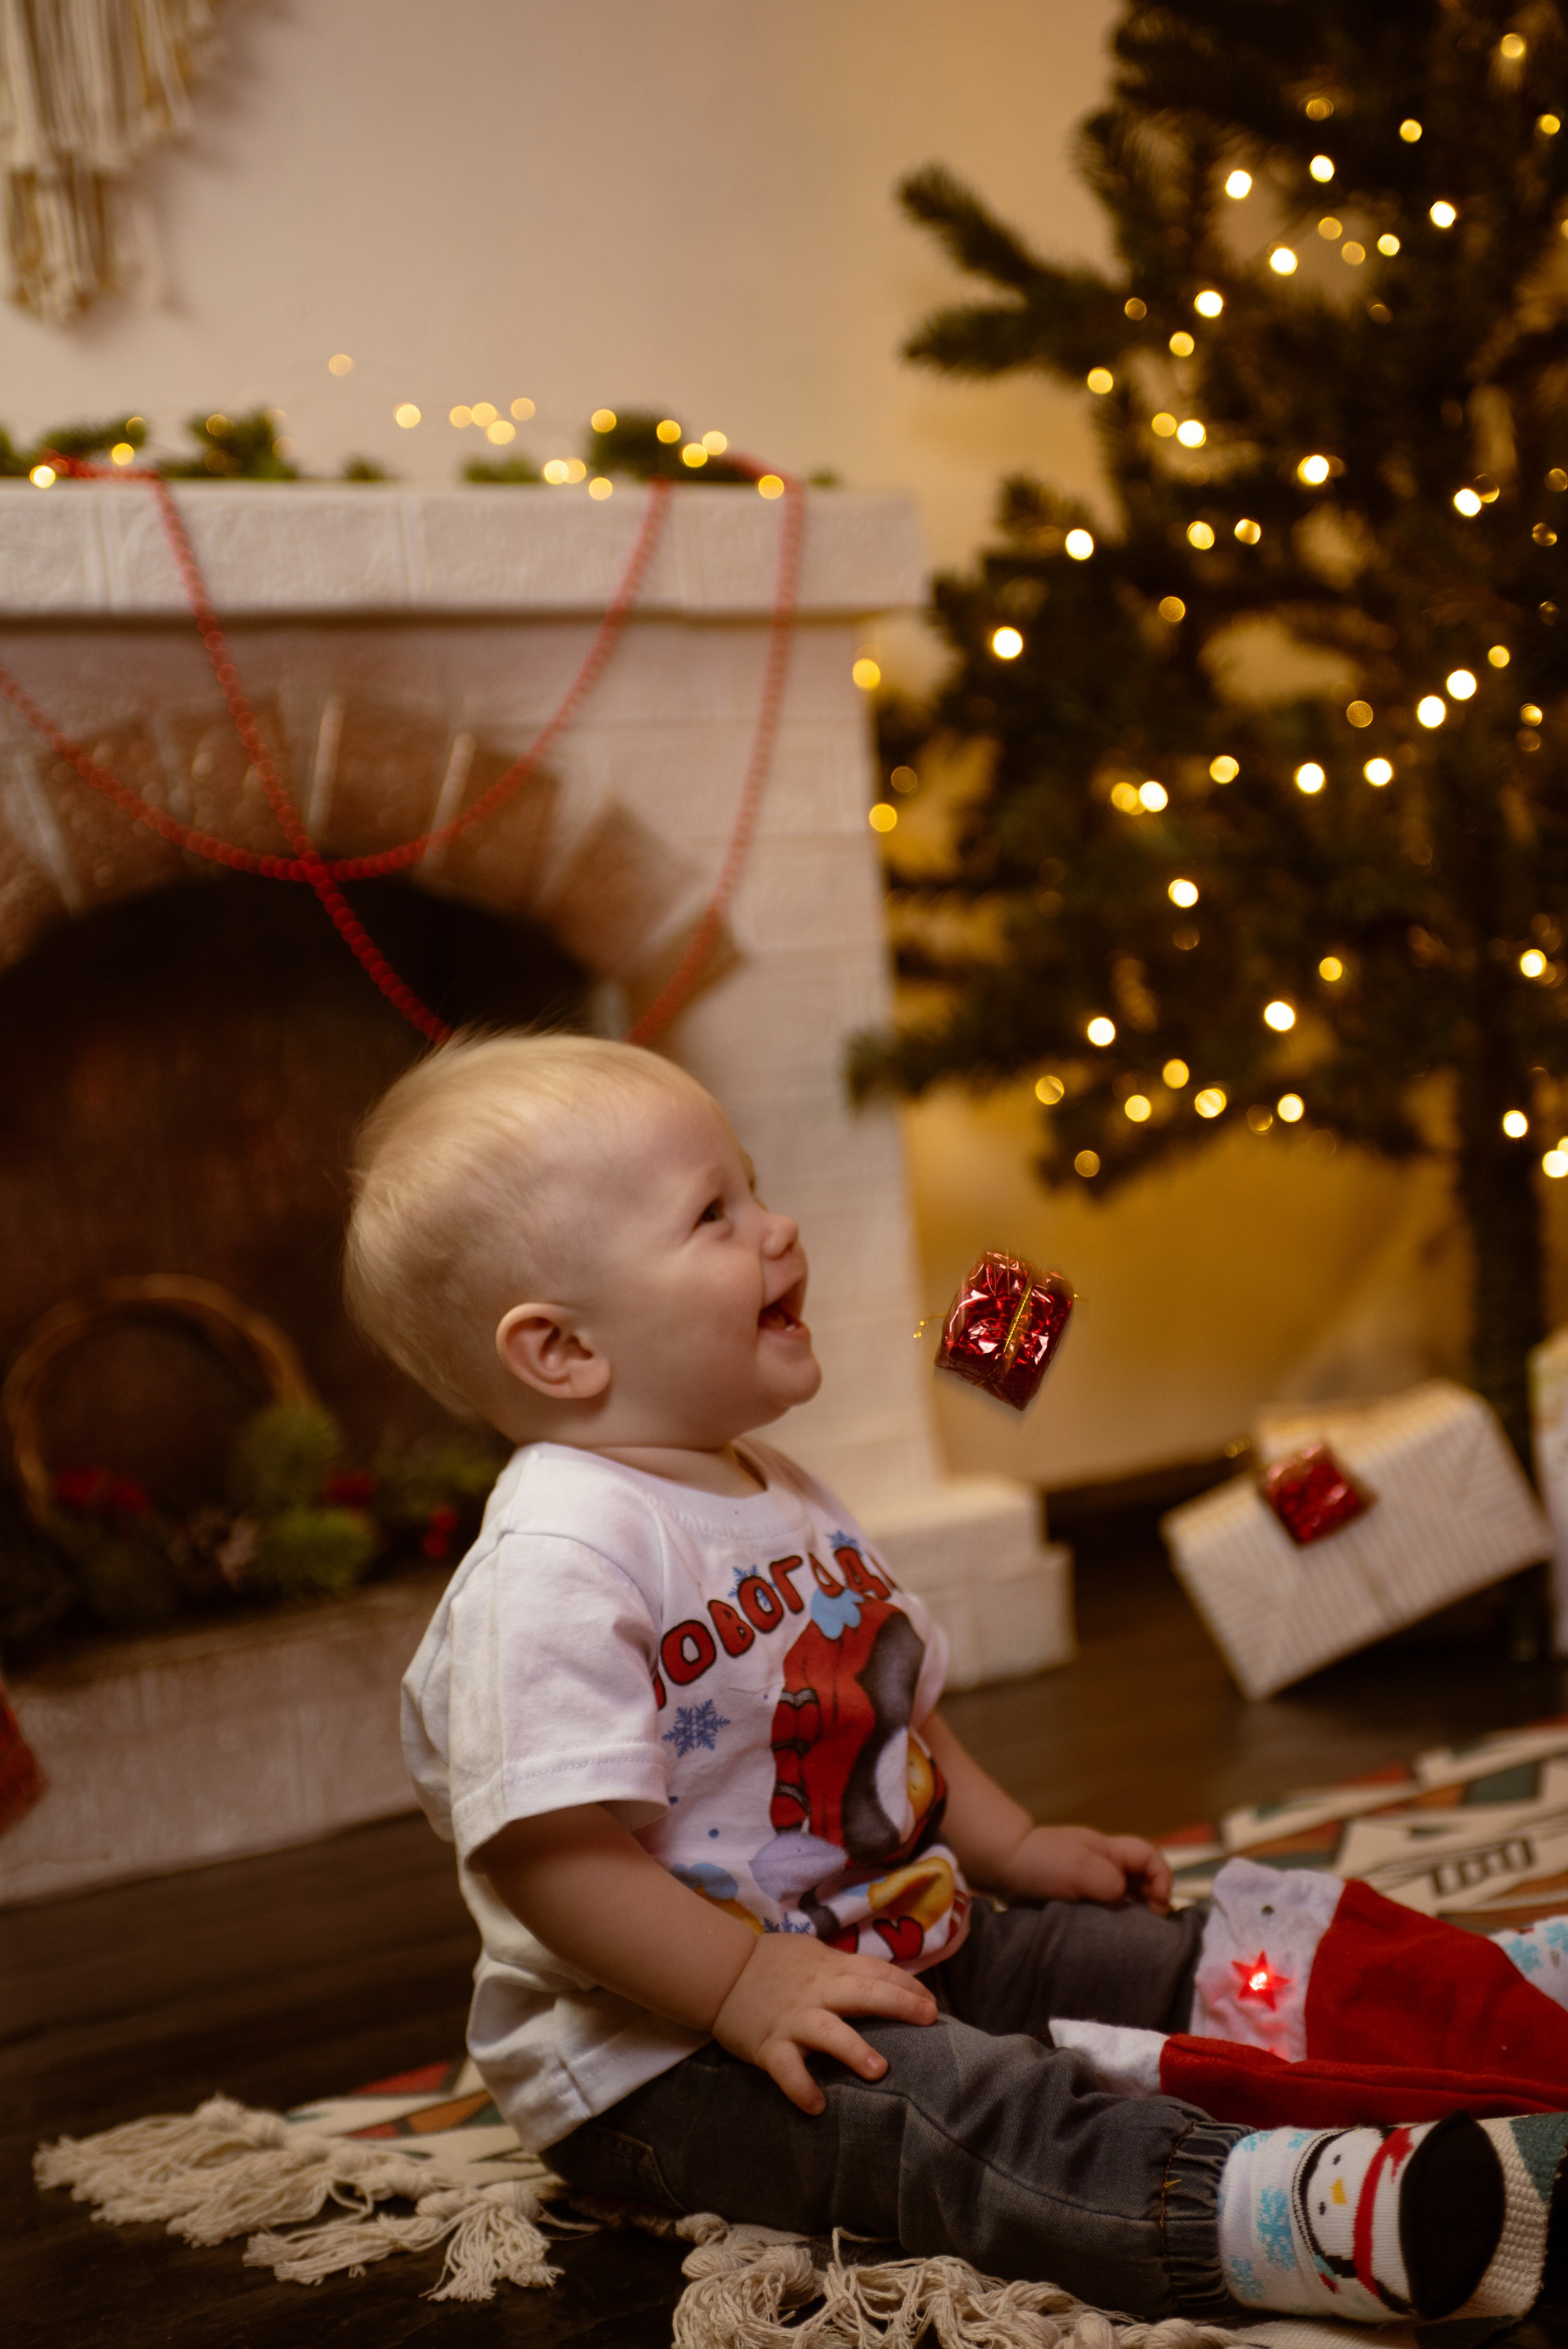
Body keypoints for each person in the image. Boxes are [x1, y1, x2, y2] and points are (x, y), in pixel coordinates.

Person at [348, 1032, 1555, 2326]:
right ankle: (1293, 2213)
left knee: (1141, 1954)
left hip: (901, 1933)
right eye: (713, 1214)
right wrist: (741, 1986)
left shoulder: (775, 1489)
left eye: (755, 1189)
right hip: (671, 2052)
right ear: (561, 1350)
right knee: (964, 2114)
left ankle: (1476, 2009)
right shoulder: (554, 1558)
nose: (778, 1228)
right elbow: (552, 1860)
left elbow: (891, 1712)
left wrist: (1016, 1847)